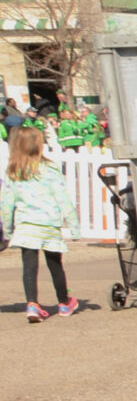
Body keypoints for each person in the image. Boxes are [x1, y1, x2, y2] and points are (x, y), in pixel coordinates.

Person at [3, 126, 78, 322]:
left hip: (26, 224)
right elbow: (63, 199)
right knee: (55, 264)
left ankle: (32, 304)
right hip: (49, 224)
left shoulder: (13, 171)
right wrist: (74, 224)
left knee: (29, 266)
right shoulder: (50, 169)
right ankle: (63, 302)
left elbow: (6, 203)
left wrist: (8, 229)